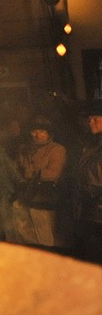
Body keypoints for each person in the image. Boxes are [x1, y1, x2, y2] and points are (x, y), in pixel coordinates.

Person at [7, 115, 68, 248]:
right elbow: (15, 169)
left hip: (44, 200)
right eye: (34, 131)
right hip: (25, 198)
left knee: (44, 239)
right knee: (22, 235)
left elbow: (54, 173)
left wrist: (31, 174)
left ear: (48, 134)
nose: (37, 135)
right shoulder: (24, 149)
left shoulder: (57, 149)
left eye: (41, 131)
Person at [72, 101, 102, 262]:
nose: (90, 122)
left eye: (95, 119)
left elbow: (95, 181)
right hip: (90, 213)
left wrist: (87, 193)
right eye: (89, 119)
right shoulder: (92, 144)